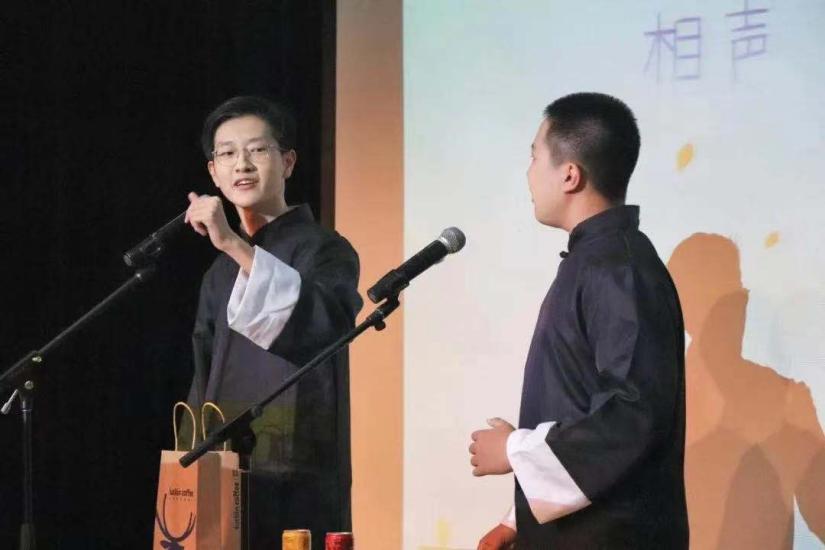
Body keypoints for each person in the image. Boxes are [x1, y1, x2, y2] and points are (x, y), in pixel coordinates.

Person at [468, 92, 688, 549]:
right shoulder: (596, 260)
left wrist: (513, 450)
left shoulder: (618, 268)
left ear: (570, 174)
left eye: (534, 157)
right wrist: (517, 520)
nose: (528, 173)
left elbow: (631, 414)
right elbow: (577, 404)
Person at [183, 95, 362, 550]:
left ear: (288, 161)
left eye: (258, 149)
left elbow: (324, 329)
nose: (242, 164)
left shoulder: (325, 249)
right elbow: (203, 378)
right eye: (227, 153)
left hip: (296, 473)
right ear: (213, 173)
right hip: (224, 474)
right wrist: (187, 470)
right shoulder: (217, 273)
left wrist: (233, 245)